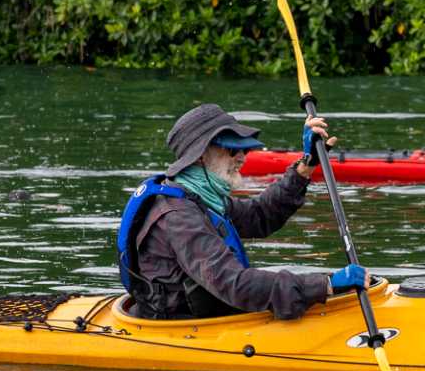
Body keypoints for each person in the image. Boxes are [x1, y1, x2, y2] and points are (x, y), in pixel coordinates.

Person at [116, 103, 365, 320]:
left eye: (244, 149)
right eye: (233, 149)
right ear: (201, 156)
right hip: (183, 329)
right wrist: (325, 284)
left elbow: (259, 216)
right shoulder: (178, 217)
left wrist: (305, 167)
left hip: (211, 314)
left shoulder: (203, 199)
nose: (242, 157)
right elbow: (234, 284)